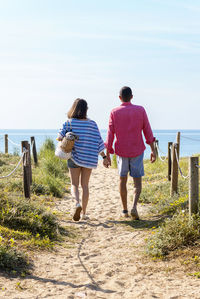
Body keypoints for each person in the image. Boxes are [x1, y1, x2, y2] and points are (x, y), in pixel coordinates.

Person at [105, 86, 156, 219]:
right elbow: (147, 131)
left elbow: (110, 134)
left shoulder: (114, 112)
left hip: (121, 151)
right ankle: (134, 207)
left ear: (120, 98)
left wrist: (108, 153)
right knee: (137, 182)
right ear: (132, 96)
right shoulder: (140, 110)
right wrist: (153, 150)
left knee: (122, 180)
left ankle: (124, 210)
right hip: (137, 150)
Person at [57, 98, 109, 221]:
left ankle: (77, 204)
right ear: (86, 110)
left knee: (74, 184)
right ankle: (84, 213)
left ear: (73, 108)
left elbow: (59, 137)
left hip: (74, 158)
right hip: (89, 159)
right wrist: (104, 157)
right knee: (85, 185)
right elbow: (99, 142)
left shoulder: (69, 123)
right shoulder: (93, 124)